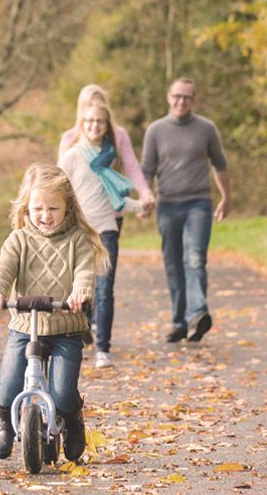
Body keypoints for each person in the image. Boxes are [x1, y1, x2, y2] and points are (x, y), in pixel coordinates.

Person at [0, 163, 109, 463]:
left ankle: (73, 421)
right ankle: (4, 426)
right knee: (8, 387)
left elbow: (84, 273)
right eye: (38, 208)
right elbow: (3, 269)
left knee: (63, 394)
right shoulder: (19, 240)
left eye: (53, 208)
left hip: (65, 325)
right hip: (25, 325)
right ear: (27, 208)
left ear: (67, 208)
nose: (45, 215)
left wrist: (81, 294)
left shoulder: (78, 240)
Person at [141, 77, 230, 344]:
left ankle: (197, 314)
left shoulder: (206, 128)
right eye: (177, 96)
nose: (181, 101)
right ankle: (178, 321)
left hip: (198, 204)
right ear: (168, 97)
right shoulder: (155, 130)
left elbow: (220, 164)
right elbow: (146, 169)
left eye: (187, 97)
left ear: (194, 100)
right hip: (167, 204)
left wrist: (226, 197)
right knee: (173, 264)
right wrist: (144, 198)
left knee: (195, 258)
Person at [58, 100, 146, 369]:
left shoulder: (109, 156)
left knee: (105, 290)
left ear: (107, 126)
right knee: (80, 290)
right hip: (79, 232)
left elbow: (114, 198)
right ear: (81, 125)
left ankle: (103, 348)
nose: (94, 125)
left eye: (99, 121)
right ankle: (79, 330)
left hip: (106, 231)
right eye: (89, 121)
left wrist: (141, 206)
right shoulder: (72, 156)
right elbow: (59, 193)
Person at [58, 84, 155, 216]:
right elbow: (62, 178)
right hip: (82, 214)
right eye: (90, 103)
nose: (95, 106)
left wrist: (145, 195)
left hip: (112, 212)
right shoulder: (69, 138)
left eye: (99, 102)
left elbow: (132, 168)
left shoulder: (119, 135)